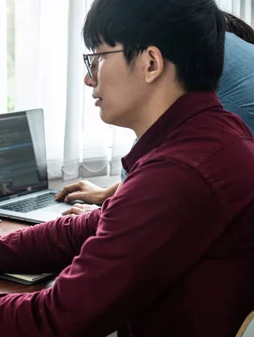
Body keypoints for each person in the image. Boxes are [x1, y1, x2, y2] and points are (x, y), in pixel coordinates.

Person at [0, 0, 254, 336]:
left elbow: (55, 320)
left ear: (151, 62)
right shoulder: (217, 135)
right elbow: (86, 229)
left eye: (98, 58)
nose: (88, 78)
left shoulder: (177, 175)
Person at [56, 10, 254, 216]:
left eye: (102, 57)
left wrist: (108, 212)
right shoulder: (213, 43)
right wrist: (111, 193)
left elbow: (158, 163)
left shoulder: (198, 65)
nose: (89, 79)